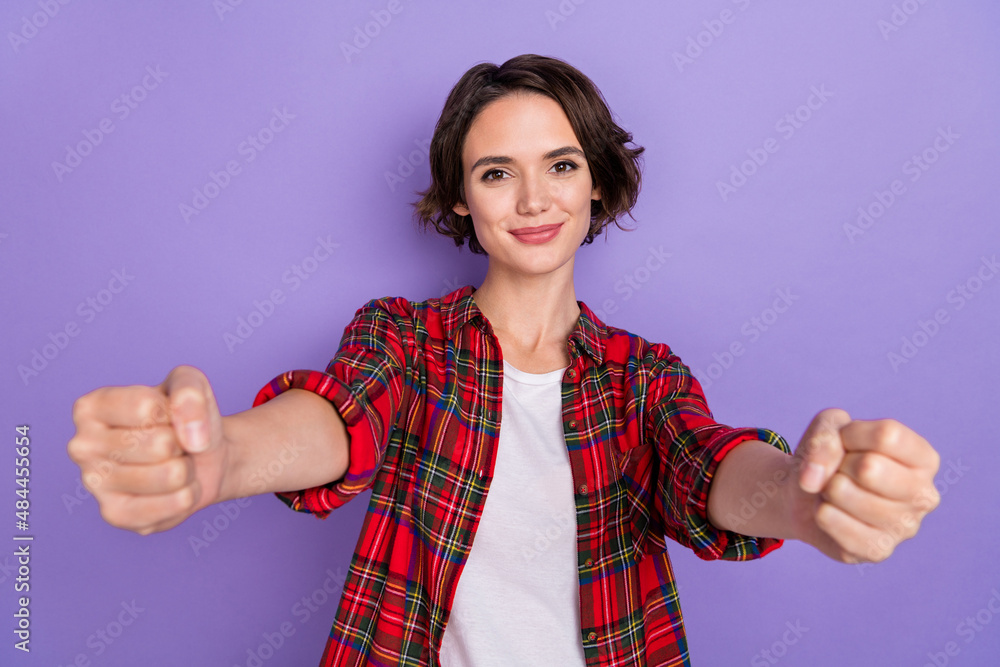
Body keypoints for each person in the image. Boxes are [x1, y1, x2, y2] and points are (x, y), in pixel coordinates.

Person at [67, 54, 941, 667]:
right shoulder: (405, 341)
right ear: (460, 193)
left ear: (595, 180)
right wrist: (225, 455)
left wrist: (796, 495)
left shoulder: (646, 375)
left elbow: (703, 466)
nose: (532, 199)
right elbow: (339, 419)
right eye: (495, 172)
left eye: (560, 164)